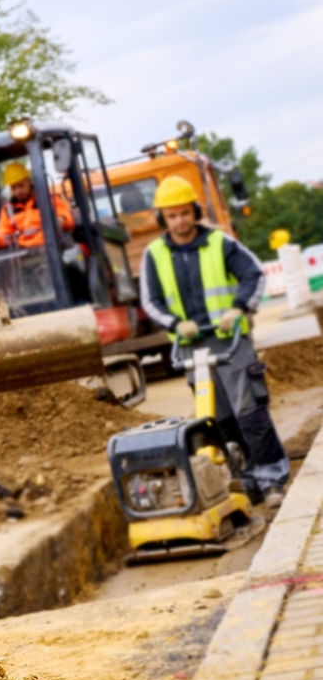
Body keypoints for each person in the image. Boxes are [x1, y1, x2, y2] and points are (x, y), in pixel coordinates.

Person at [140, 176, 287, 508]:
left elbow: (253, 274)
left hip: (230, 343)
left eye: (184, 213)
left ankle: (272, 478)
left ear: (194, 211)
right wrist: (178, 324)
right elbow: (151, 302)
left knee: (250, 412)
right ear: (163, 217)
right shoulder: (155, 254)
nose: (179, 221)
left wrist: (238, 308)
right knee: (219, 421)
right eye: (172, 215)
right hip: (193, 348)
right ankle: (245, 480)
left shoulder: (219, 243)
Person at [0, 162, 75, 249]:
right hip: (25, 254)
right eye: (13, 188)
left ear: (29, 181)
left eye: (21, 186)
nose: (17, 191)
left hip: (53, 248)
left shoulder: (50, 199)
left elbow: (68, 219)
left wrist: (62, 220)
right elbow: (4, 235)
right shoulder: (7, 210)